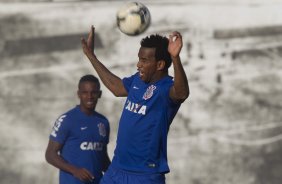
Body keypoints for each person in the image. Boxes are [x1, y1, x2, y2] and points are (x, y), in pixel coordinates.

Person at [81, 26, 189, 184]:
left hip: (145, 176)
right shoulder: (138, 80)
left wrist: (175, 58)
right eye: (139, 59)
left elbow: (182, 93)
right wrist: (91, 56)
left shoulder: (166, 88)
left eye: (144, 61)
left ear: (159, 65)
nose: (138, 64)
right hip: (116, 170)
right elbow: (116, 88)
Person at [45, 74, 111, 184]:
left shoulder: (103, 122)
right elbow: (50, 154)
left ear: (99, 94)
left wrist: (116, 175)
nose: (89, 96)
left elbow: (102, 157)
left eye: (93, 92)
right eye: (85, 93)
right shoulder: (67, 119)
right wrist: (75, 170)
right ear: (79, 94)